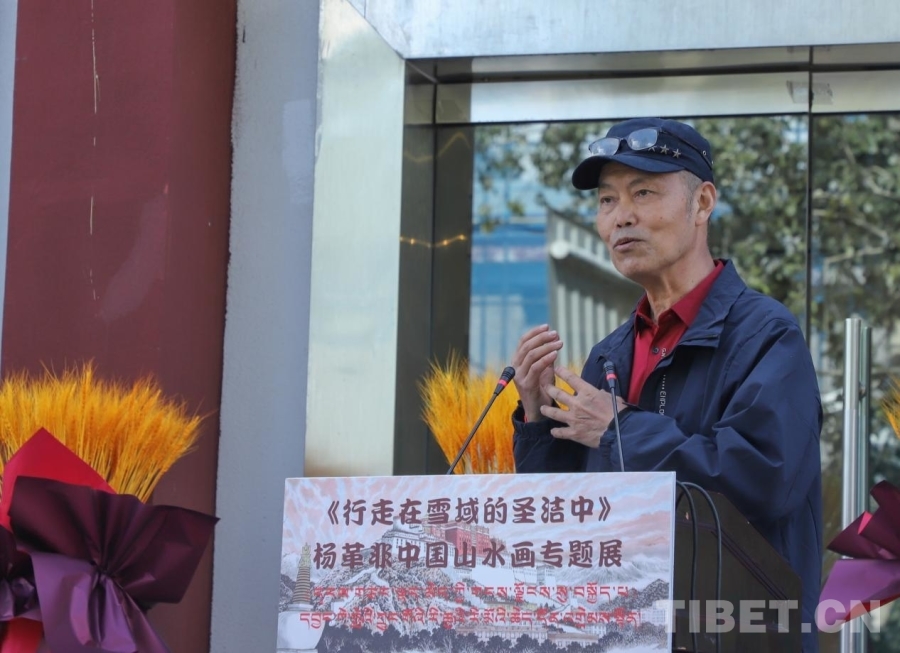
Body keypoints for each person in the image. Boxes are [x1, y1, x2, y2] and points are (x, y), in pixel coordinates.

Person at [511, 117, 823, 651]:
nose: (621, 217)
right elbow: (569, 520)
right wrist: (539, 420)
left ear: (702, 203)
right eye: (607, 200)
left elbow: (764, 481)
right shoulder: (610, 353)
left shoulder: (767, 335)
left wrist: (620, 430)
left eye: (643, 192)